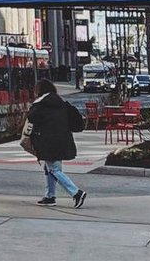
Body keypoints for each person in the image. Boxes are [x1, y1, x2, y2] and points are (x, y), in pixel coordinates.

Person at [26, 78, 87, 209]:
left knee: (54, 169)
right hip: (63, 140)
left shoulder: (42, 104)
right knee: (50, 168)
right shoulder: (60, 102)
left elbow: (31, 117)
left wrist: (34, 104)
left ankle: (76, 192)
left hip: (48, 141)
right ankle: (50, 196)